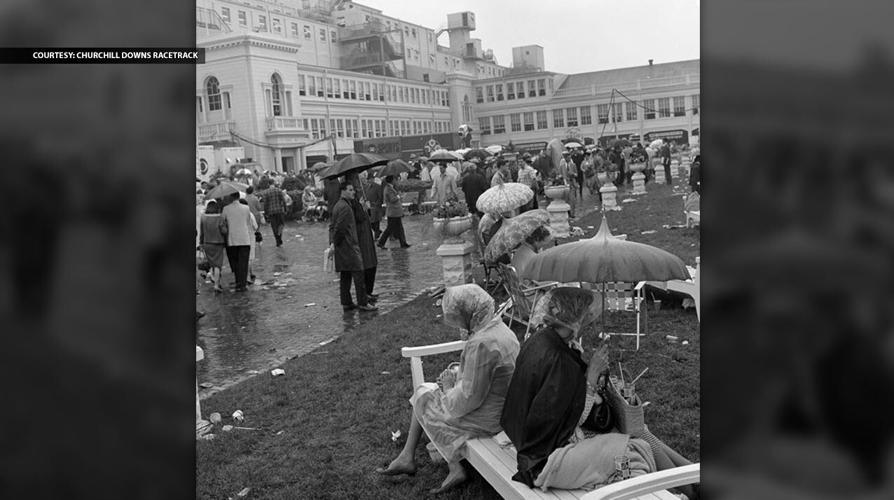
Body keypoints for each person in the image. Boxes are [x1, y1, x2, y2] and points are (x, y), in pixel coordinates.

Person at [500, 288, 693, 494]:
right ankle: (679, 491)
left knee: (639, 430)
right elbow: (569, 420)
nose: (589, 321)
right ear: (573, 319)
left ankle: (693, 478)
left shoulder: (541, 340)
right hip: (545, 457)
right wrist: (591, 377)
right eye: (586, 316)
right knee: (635, 448)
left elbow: (557, 405)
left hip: (532, 439)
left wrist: (587, 372)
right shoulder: (559, 361)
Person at [375, 284, 520, 494]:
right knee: (426, 393)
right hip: (503, 407)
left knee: (424, 397)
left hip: (489, 418)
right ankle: (409, 457)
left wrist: (449, 387)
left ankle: (439, 464)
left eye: (457, 316)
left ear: (469, 313)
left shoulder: (482, 342)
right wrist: (457, 376)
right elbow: (484, 377)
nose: (455, 321)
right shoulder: (498, 328)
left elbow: (467, 400)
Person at [328, 181, 377, 312]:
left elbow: (332, 227)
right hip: (348, 246)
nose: (353, 192)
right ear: (343, 191)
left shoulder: (339, 205)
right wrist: (335, 243)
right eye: (350, 190)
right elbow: (339, 228)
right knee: (359, 274)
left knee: (345, 275)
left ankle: (346, 302)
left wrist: (333, 244)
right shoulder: (344, 207)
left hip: (343, 247)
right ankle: (362, 302)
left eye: (353, 190)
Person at [347, 174, 379, 303]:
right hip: (360, 237)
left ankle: (369, 292)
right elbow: (357, 218)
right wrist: (361, 207)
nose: (356, 190)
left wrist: (366, 209)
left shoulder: (359, 198)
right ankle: (365, 294)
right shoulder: (351, 203)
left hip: (367, 235)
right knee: (366, 266)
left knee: (372, 265)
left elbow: (366, 217)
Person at [220, 192, 257, 292]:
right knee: (244, 262)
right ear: (238, 197)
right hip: (244, 238)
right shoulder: (246, 208)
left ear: (231, 197)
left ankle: (238, 282)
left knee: (235, 262)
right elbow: (247, 221)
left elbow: (222, 222)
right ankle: (243, 283)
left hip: (232, 239)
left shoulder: (226, 209)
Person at [198, 200, 225, 292]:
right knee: (218, 265)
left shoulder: (203, 217)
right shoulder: (220, 217)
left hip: (207, 243)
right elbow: (224, 231)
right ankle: (216, 285)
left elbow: (201, 232)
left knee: (212, 264)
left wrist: (201, 243)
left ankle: (214, 279)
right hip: (218, 243)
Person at [377, 175, 410, 248]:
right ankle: (381, 242)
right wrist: (399, 196)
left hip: (395, 212)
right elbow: (392, 199)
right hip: (393, 212)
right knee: (390, 229)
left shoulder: (390, 188)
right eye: (395, 179)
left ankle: (403, 243)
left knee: (399, 228)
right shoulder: (388, 189)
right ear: (392, 180)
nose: (396, 181)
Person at [258, 179, 287, 246]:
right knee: (281, 225)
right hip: (279, 210)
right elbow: (283, 201)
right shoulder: (279, 190)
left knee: (274, 226)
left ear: (268, 184)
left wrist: (266, 212)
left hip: (271, 212)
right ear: (274, 183)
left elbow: (266, 203)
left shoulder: (266, 192)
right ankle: (279, 237)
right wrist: (285, 209)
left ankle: (277, 240)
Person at [365, 174, 384, 239]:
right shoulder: (367, 187)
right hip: (369, 207)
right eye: (368, 179)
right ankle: (378, 231)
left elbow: (380, 197)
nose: (369, 180)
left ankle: (376, 235)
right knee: (371, 222)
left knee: (376, 221)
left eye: (370, 179)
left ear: (373, 179)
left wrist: (376, 203)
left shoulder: (377, 186)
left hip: (376, 207)